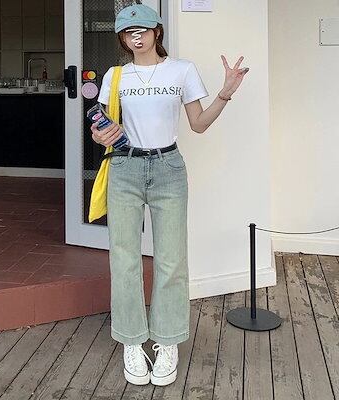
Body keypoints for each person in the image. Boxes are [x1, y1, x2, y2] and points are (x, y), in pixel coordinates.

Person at [90, 3, 249, 387]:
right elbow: (103, 127)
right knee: (124, 258)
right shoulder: (115, 76)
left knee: (171, 261)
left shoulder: (182, 70)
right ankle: (132, 340)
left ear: (157, 31)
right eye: (128, 32)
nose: (136, 37)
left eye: (142, 29)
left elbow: (198, 125)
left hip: (168, 169)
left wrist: (225, 94)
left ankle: (167, 340)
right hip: (125, 168)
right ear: (122, 39)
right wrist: (98, 134)